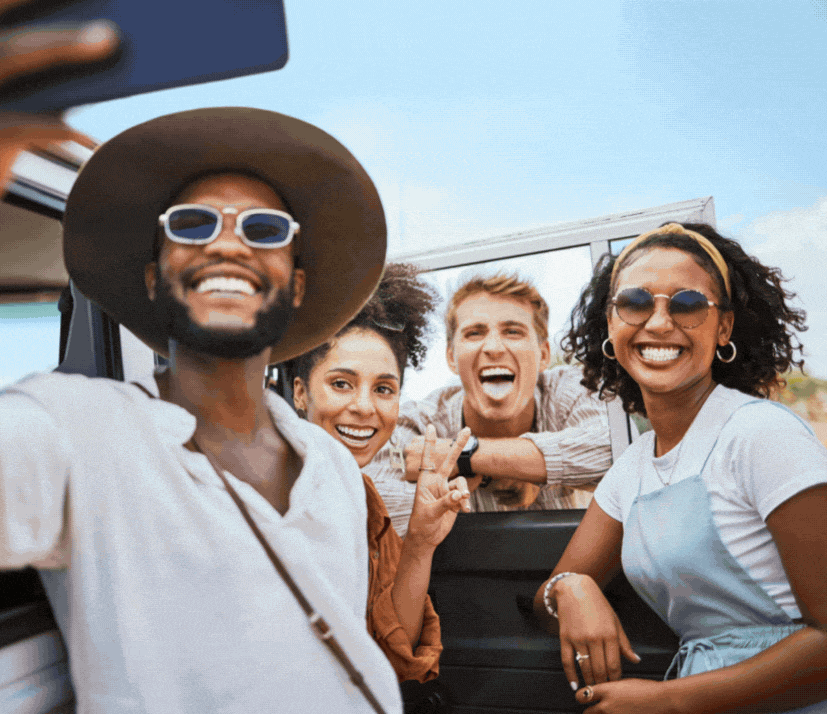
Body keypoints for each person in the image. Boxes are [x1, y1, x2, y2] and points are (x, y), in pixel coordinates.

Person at [0, 4, 424, 711]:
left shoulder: (330, 469)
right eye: (192, 224)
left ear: (299, 283)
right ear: (150, 276)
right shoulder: (82, 429)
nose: (228, 244)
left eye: (263, 228)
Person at [534, 222, 827, 713]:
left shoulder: (760, 434)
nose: (659, 322)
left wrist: (668, 701)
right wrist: (572, 589)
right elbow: (548, 597)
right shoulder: (633, 468)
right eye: (635, 302)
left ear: (725, 327)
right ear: (611, 322)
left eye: (688, 304)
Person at [286, 263, 469, 683]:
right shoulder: (273, 487)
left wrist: (420, 542)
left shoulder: (363, 497)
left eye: (383, 389)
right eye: (342, 383)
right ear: (300, 393)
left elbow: (393, 653)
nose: (365, 407)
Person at [369, 272, 614, 536]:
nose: (494, 347)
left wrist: (464, 457)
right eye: (475, 333)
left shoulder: (571, 389)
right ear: (451, 358)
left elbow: (613, 450)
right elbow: (377, 503)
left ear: (544, 355)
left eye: (512, 331)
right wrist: (492, 474)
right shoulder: (423, 419)